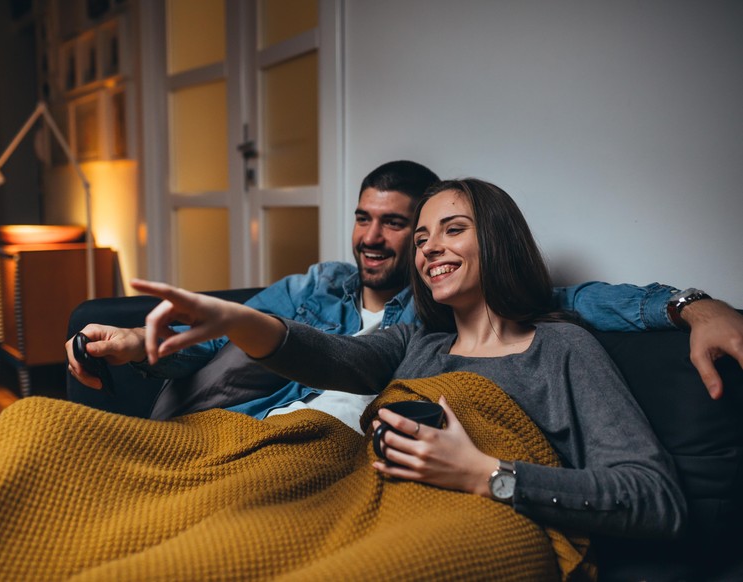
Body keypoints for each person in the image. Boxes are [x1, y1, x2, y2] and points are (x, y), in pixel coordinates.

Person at [128, 177, 687, 538]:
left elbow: (656, 498)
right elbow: (330, 357)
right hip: (357, 505)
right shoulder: (417, 342)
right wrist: (233, 318)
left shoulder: (562, 349)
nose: (429, 248)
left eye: (453, 230)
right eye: (421, 238)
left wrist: (489, 476)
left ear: (497, 241)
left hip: (472, 531)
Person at [67, 161, 743, 431]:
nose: (375, 237)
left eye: (398, 224)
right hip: (238, 433)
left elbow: (571, 298)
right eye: (365, 218)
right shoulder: (313, 287)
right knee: (41, 434)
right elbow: (222, 339)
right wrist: (134, 345)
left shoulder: (430, 322)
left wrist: (692, 305)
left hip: (318, 453)